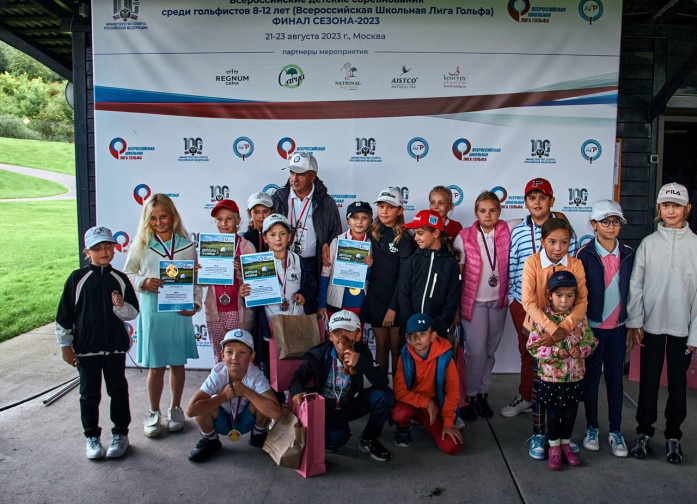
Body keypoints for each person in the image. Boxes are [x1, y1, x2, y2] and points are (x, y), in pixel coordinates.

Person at [626, 182, 697, 464]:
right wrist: (635, 321)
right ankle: (644, 432)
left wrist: (695, 335)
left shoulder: (695, 245)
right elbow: (636, 286)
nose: (671, 210)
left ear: (687, 209)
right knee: (649, 383)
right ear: (659, 208)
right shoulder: (648, 244)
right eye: (666, 205)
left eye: (677, 206)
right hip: (651, 327)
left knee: (677, 386)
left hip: (683, 329)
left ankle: (673, 437)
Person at [56, 226, 140, 459]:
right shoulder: (76, 278)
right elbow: (64, 316)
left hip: (114, 348)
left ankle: (120, 434)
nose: (103, 251)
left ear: (114, 249)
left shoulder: (120, 278)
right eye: (97, 248)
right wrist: (66, 346)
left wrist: (121, 305)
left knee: (118, 391)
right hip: (86, 350)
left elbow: (132, 313)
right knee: (89, 395)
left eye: (108, 247)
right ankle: (91, 437)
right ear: (87, 252)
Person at [124, 193, 202, 438]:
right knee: (156, 366)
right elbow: (127, 274)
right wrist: (143, 282)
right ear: (147, 220)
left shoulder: (187, 245)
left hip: (178, 312)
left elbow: (196, 280)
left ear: (173, 216)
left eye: (164, 216)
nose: (159, 222)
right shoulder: (141, 245)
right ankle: (153, 411)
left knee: (178, 363)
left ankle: (176, 407)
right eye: (153, 218)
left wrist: (196, 304)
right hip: (153, 311)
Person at [502, 177, 576, 419]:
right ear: (525, 202)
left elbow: (571, 264)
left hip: (557, 306)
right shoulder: (519, 231)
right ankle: (527, 396)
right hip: (523, 303)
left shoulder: (564, 229)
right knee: (528, 351)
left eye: (542, 198)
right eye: (532, 198)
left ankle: (553, 402)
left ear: (551, 201)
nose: (537, 202)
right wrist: (514, 298)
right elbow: (512, 265)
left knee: (555, 351)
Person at [520, 217, 587, 459]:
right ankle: (539, 434)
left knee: (566, 387)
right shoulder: (532, 262)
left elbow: (581, 301)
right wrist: (550, 328)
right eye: (552, 242)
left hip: (569, 331)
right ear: (542, 241)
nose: (558, 248)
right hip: (540, 330)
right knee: (542, 385)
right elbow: (527, 301)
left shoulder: (575, 264)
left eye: (564, 242)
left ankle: (561, 438)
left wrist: (565, 327)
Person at [289, 310, 394, 461]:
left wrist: (362, 363)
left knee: (385, 395)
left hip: (350, 403)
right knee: (337, 438)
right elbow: (298, 378)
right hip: (326, 407)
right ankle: (327, 434)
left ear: (358, 335)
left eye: (348, 331)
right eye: (337, 331)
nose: (342, 337)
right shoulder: (317, 355)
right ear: (330, 336)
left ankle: (369, 439)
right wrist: (297, 392)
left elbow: (382, 383)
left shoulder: (362, 352)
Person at [577, 200, 634, 457]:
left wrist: (632, 325)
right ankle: (592, 427)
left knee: (614, 380)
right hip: (592, 330)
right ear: (593, 225)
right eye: (605, 222)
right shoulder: (584, 255)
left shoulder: (630, 254)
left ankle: (615, 430)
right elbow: (579, 295)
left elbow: (635, 292)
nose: (611, 227)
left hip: (618, 330)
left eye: (615, 221)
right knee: (590, 380)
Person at [526, 271, 597, 470]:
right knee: (553, 413)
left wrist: (580, 350)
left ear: (576, 296)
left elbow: (591, 341)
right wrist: (556, 352)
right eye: (559, 296)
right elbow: (532, 347)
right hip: (551, 379)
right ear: (550, 295)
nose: (564, 301)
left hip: (574, 378)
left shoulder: (579, 319)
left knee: (570, 413)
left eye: (569, 296)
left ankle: (566, 444)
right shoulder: (543, 318)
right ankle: (554, 447)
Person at [453, 191, 511, 420]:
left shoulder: (507, 230)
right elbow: (458, 273)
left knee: (489, 350)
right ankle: (469, 395)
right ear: (476, 213)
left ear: (500, 211)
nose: (488, 215)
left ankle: (483, 393)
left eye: (493, 210)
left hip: (499, 302)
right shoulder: (464, 236)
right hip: (474, 302)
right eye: (483, 210)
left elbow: (536, 222)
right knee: (475, 351)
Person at [186, 329, 282, 462]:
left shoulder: (256, 376)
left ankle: (258, 435)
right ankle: (211, 440)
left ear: (251, 356)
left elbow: (276, 413)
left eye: (242, 352)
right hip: (222, 420)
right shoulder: (217, 374)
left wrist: (246, 391)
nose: (234, 357)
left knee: (261, 401)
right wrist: (223, 396)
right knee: (203, 406)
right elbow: (191, 411)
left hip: (246, 420)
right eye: (229, 352)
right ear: (222, 355)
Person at [272, 152, 342, 313]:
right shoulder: (279, 198)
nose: (294, 178)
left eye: (300, 174)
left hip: (313, 264)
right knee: (281, 310)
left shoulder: (326, 201)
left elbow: (335, 233)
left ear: (313, 176)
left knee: (308, 311)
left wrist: (327, 244)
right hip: (283, 263)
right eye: (292, 172)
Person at [361, 187, 415, 376]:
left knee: (396, 347)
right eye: (381, 206)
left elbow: (404, 277)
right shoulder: (371, 232)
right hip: (376, 300)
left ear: (400, 210)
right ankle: (381, 392)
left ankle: (400, 395)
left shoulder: (405, 238)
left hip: (397, 302)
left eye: (390, 207)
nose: (384, 211)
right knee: (381, 347)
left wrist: (393, 308)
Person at [240, 214, 317, 346]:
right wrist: (244, 294)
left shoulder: (299, 261)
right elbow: (252, 298)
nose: (278, 239)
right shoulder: (256, 263)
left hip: (297, 322)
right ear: (265, 238)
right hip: (270, 326)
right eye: (272, 234)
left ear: (289, 237)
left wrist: (304, 294)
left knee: (296, 361)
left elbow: (312, 284)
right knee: (273, 363)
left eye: (282, 234)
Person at [391, 313, 462, 455]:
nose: (417, 338)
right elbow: (399, 391)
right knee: (399, 413)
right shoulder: (405, 357)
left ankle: (427, 421)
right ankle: (404, 427)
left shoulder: (444, 356)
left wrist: (448, 422)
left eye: (423, 333)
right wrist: (426, 402)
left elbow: (452, 391)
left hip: (435, 409)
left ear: (433, 336)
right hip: (415, 404)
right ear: (407, 338)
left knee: (452, 447)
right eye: (413, 334)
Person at [203, 199, 255, 364]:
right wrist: (199, 272)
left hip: (238, 311)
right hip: (215, 310)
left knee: (240, 359)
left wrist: (240, 271)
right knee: (219, 358)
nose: (224, 223)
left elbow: (255, 281)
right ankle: (222, 390)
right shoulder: (209, 246)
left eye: (229, 218)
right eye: (219, 219)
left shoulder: (246, 246)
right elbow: (203, 283)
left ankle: (239, 390)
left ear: (238, 220)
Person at [398, 210, 461, 339]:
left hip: (437, 334)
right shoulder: (413, 260)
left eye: (420, 233)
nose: (416, 238)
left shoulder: (450, 263)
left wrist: (436, 327)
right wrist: (412, 325)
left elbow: (452, 300)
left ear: (436, 233)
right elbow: (403, 293)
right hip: (410, 331)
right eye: (415, 234)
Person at [318, 201, 373, 319]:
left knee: (356, 336)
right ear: (348, 221)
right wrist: (321, 303)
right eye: (355, 217)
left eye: (364, 218)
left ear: (370, 221)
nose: (359, 221)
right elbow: (325, 274)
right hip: (336, 301)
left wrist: (369, 267)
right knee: (337, 336)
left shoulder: (372, 244)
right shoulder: (337, 241)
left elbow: (372, 277)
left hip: (360, 302)